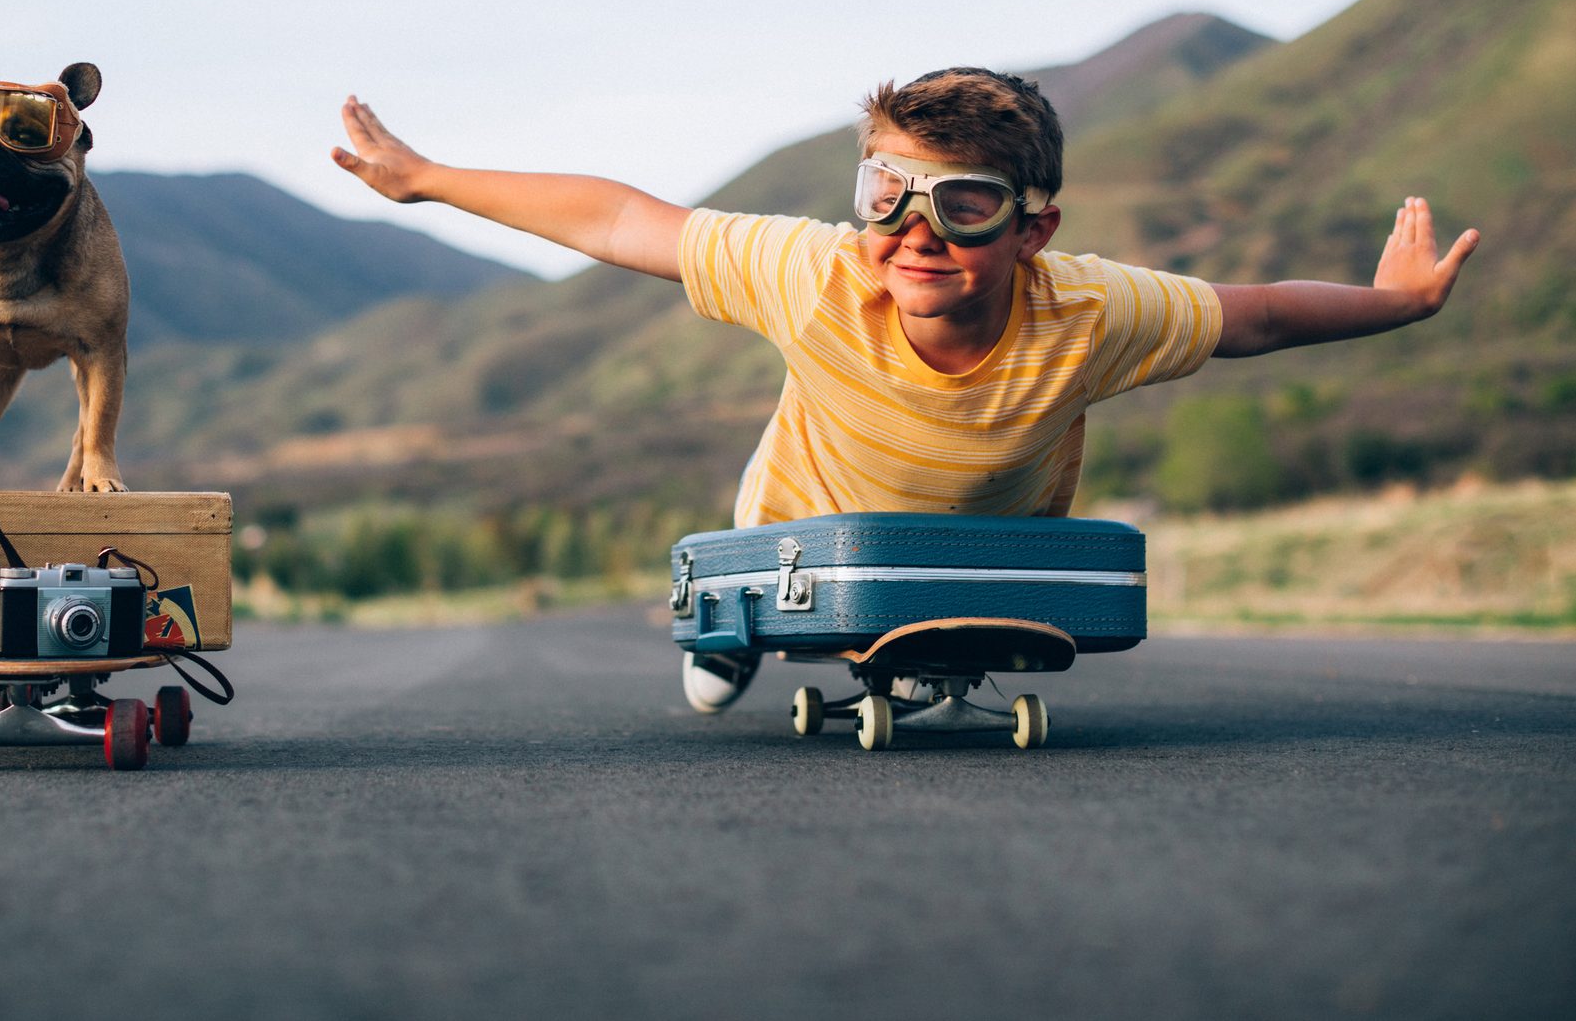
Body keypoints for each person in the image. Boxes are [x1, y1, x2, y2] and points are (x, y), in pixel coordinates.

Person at [331, 68, 1479, 710]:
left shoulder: (1092, 310)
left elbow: (1259, 313)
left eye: (962, 206)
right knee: (760, 579)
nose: (912, 233)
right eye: (886, 190)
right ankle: (734, 629)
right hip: (802, 520)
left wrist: (1397, 303)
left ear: (1035, 228)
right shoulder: (811, 270)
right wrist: (427, 179)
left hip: (987, 554)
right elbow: (628, 218)